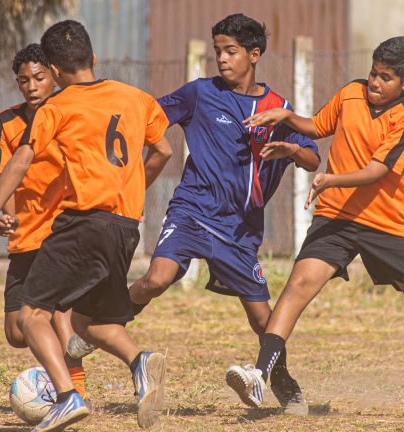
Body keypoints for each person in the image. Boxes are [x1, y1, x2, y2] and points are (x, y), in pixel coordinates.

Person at [226, 36, 404, 420]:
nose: (375, 83)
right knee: (298, 285)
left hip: (386, 222)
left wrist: (332, 179)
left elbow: (378, 172)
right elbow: (316, 126)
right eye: (373, 73)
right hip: (337, 216)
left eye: (385, 78)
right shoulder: (351, 93)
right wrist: (287, 119)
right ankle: (260, 373)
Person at [0, 20, 172, 431]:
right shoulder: (137, 98)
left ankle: (68, 396)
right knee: (89, 322)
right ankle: (141, 363)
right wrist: (134, 185)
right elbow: (163, 149)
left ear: (54, 71)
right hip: (125, 227)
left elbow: (22, 159)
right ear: (94, 57)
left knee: (32, 314)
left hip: (84, 222)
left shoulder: (57, 107)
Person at [127, 13, 319, 415]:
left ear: (254, 54)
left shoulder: (278, 109)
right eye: (217, 51)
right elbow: (150, 118)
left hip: (239, 230)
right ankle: (104, 323)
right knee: (157, 278)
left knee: (263, 320)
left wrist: (290, 151)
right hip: (192, 210)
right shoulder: (200, 93)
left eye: (230, 51)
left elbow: (312, 158)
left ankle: (281, 382)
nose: (222, 59)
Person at [0, 42, 88, 399]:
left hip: (63, 231)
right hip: (25, 235)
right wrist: (6, 215)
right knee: (17, 332)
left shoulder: (71, 115)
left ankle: (73, 389)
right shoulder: (6, 122)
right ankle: (75, 334)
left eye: (38, 77)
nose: (31, 86)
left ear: (54, 77)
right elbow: (7, 176)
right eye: (22, 80)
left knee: (55, 311)